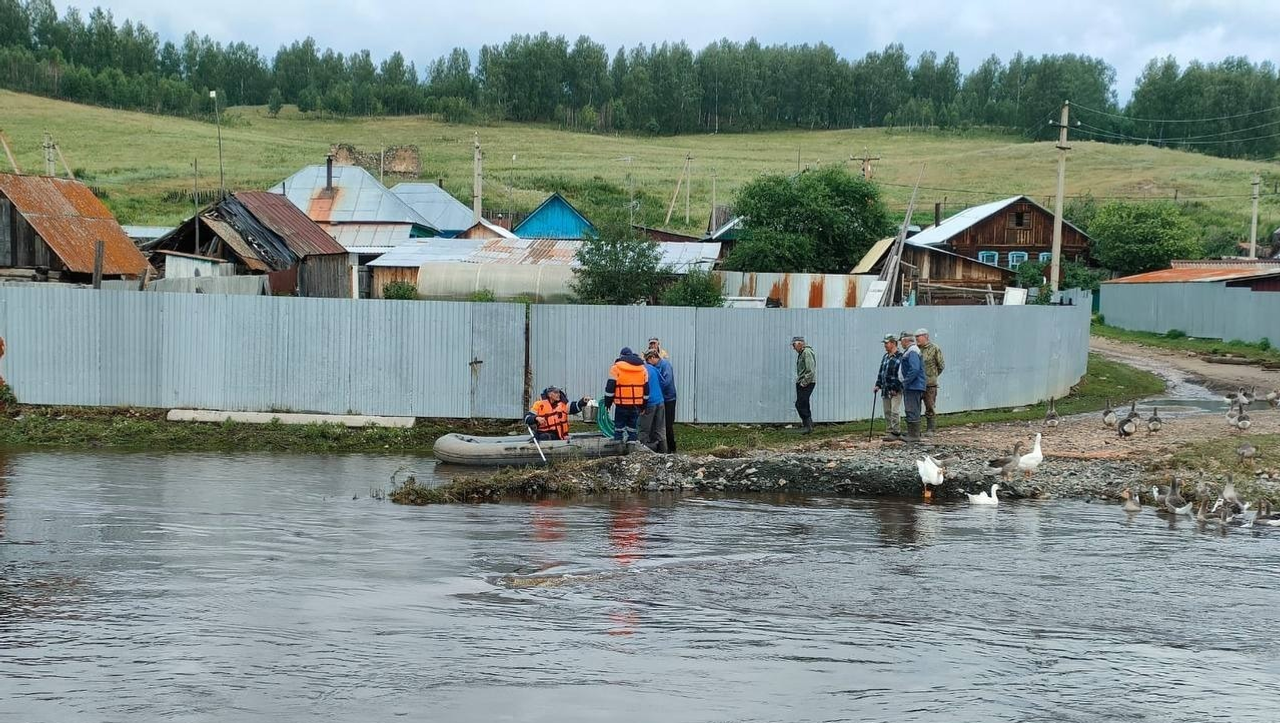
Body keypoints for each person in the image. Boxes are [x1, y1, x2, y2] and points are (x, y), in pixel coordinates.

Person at [604, 347, 649, 444]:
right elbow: (646, 390)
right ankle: (631, 448)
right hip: (636, 404)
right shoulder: (643, 369)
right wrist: (643, 406)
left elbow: (610, 388)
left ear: (621, 356)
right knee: (632, 428)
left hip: (621, 404)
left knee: (619, 427)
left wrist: (608, 403)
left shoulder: (616, 368)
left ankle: (618, 447)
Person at [524, 387, 590, 441]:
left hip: (558, 435)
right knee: (540, 437)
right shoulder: (539, 404)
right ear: (549, 395)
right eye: (555, 392)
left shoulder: (563, 405)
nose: (558, 394)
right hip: (541, 433)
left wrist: (583, 401)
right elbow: (527, 418)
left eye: (559, 392)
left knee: (544, 437)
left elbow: (575, 407)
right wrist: (536, 418)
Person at [915, 328, 945, 437]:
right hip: (917, 383)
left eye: (919, 337)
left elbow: (941, 365)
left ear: (926, 336)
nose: (916, 339)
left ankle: (930, 429)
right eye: (916, 337)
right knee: (915, 406)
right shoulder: (916, 349)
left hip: (929, 384)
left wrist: (933, 376)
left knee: (930, 406)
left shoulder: (934, 348)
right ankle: (915, 430)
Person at [873, 333, 903, 442]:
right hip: (885, 389)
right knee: (887, 411)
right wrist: (878, 384)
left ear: (893, 343)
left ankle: (896, 431)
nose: (885, 345)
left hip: (895, 390)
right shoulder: (885, 356)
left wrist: (895, 388)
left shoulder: (900, 357)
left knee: (895, 410)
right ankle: (889, 431)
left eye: (887, 343)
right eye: (885, 343)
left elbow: (900, 375)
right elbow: (881, 372)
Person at [898, 330, 926, 443]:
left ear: (905, 340)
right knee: (913, 408)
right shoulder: (911, 350)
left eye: (901, 341)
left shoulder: (912, 351)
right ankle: (913, 432)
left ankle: (913, 435)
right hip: (914, 385)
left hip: (913, 386)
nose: (901, 343)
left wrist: (905, 382)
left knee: (911, 409)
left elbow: (914, 368)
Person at [638, 350, 667, 452]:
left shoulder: (640, 371)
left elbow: (640, 389)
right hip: (660, 401)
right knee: (660, 429)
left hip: (649, 403)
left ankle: (644, 453)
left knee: (644, 430)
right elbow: (663, 382)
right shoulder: (653, 369)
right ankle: (664, 453)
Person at [651, 349, 678, 453]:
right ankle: (660, 448)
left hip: (668, 399)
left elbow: (667, 381)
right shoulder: (654, 366)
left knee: (667, 425)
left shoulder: (665, 365)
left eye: (649, 360)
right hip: (660, 398)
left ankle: (671, 448)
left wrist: (656, 390)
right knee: (657, 424)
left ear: (653, 358)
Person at [792, 336, 816, 434]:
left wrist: (803, 383)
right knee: (803, 404)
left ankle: (808, 426)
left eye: (794, 345)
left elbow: (810, 370)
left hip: (807, 382)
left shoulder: (806, 352)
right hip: (803, 382)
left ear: (800, 343)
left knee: (800, 404)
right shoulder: (802, 353)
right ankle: (808, 425)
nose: (793, 348)